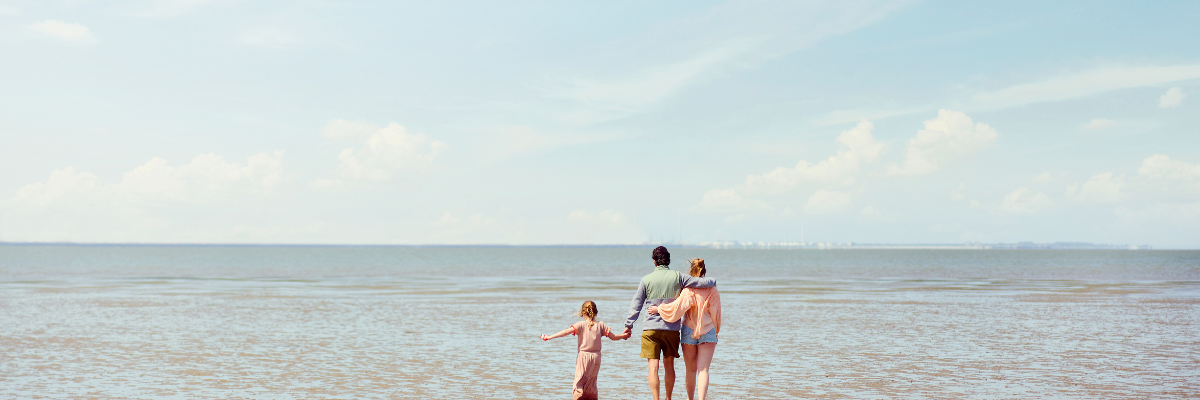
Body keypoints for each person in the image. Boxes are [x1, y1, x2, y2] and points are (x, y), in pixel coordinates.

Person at [622, 246, 716, 400]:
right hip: (671, 329)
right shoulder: (678, 277)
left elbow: (636, 304)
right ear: (669, 261)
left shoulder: (646, 280)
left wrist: (628, 325)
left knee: (653, 367)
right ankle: (668, 398)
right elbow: (699, 283)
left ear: (654, 262)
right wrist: (713, 280)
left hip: (650, 329)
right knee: (669, 365)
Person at [648, 258, 721, 400]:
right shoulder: (713, 290)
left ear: (690, 272)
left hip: (688, 330)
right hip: (708, 331)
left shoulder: (688, 290)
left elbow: (676, 309)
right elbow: (716, 314)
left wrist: (659, 309)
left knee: (690, 370)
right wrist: (715, 331)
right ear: (705, 271)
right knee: (703, 370)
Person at [541, 300, 631, 400]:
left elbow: (566, 332)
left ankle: (578, 397)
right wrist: (624, 336)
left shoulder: (580, 324)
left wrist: (549, 337)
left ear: (583, 313)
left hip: (583, 356)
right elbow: (613, 337)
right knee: (591, 381)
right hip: (596, 357)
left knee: (579, 380)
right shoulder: (601, 325)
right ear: (596, 313)